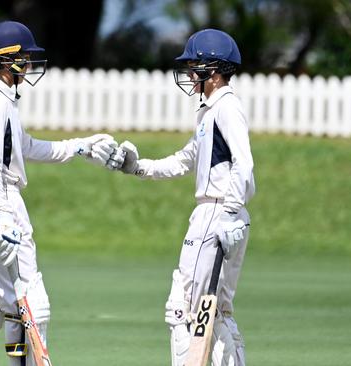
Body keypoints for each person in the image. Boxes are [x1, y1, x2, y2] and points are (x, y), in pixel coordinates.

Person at [0, 20, 118, 366]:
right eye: (25, 57)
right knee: (30, 301)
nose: (31, 65)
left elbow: (26, 147)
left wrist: (79, 147)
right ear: (8, 61)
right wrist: (4, 215)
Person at [113, 29, 255, 366]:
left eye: (195, 67)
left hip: (217, 213)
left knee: (183, 309)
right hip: (222, 214)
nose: (190, 75)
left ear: (214, 70)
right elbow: (184, 159)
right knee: (216, 311)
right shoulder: (209, 113)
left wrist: (230, 212)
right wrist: (138, 167)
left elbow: (244, 162)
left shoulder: (226, 108)